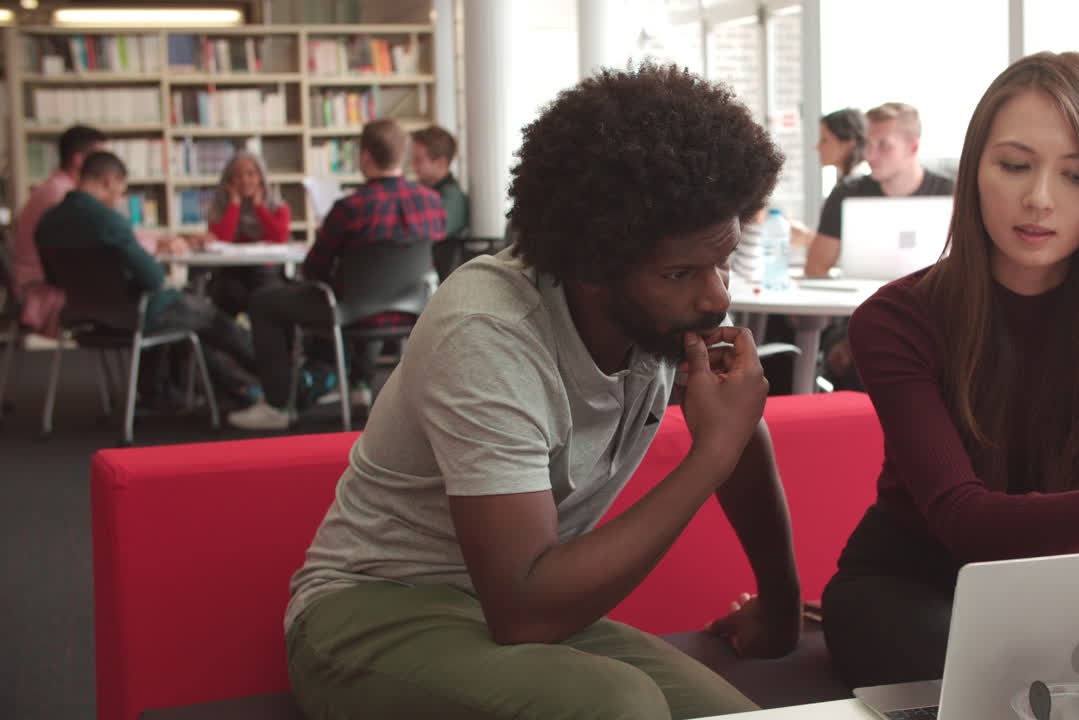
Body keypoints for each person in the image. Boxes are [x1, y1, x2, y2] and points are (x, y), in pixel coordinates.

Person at [283, 63, 801, 720]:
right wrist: (709, 457)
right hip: (371, 613)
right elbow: (524, 610)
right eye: (681, 272)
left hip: (521, 612)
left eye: (722, 260)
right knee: (620, 705)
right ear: (591, 266)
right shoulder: (489, 330)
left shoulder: (658, 312)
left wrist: (781, 613)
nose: (716, 294)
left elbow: (739, 428)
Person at [819, 51, 1079, 691]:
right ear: (973, 171)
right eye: (1014, 166)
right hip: (907, 585)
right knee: (985, 676)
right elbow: (960, 518)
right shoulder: (896, 320)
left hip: (1060, 601)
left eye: (1077, 176)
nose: (1039, 199)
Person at [227, 119, 446, 430]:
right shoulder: (431, 201)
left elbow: (314, 269)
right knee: (370, 296)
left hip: (350, 309)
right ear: (403, 154)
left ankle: (277, 405)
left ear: (365, 157)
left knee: (264, 301)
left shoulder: (350, 207)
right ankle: (360, 386)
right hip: (410, 306)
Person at [34, 151, 256, 398]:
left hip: (82, 317)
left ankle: (211, 389)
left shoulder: (47, 223)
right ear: (109, 181)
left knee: (188, 317)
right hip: (132, 314)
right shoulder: (109, 221)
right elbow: (153, 278)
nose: (120, 199)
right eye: (121, 191)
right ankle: (280, 383)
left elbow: (53, 279)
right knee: (213, 320)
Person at [12, 125, 192, 336]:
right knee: (183, 310)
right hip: (64, 297)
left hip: (71, 293)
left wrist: (156, 240)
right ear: (80, 161)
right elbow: (109, 239)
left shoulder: (56, 197)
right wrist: (157, 243)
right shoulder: (65, 201)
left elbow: (112, 236)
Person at [804, 102, 954, 278]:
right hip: (863, 301)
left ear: (913, 147)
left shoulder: (952, 193)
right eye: (868, 144)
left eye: (884, 145)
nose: (869, 155)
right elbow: (815, 269)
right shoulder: (845, 194)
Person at [204, 151, 292, 317]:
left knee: (267, 294)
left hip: (266, 271)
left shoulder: (278, 207)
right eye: (237, 176)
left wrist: (259, 207)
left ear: (261, 178)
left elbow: (279, 238)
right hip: (231, 271)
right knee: (224, 292)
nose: (245, 180)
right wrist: (234, 204)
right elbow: (222, 241)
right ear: (228, 181)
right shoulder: (219, 208)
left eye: (251, 174)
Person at [790, 108, 867, 251]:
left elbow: (851, 250)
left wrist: (807, 238)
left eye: (824, 139)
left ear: (847, 143)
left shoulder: (853, 190)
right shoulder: (844, 184)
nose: (818, 147)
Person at [410, 126, 470, 282]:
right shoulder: (426, 193)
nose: (413, 166)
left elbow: (420, 235)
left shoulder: (452, 199)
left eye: (419, 160)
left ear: (441, 163)